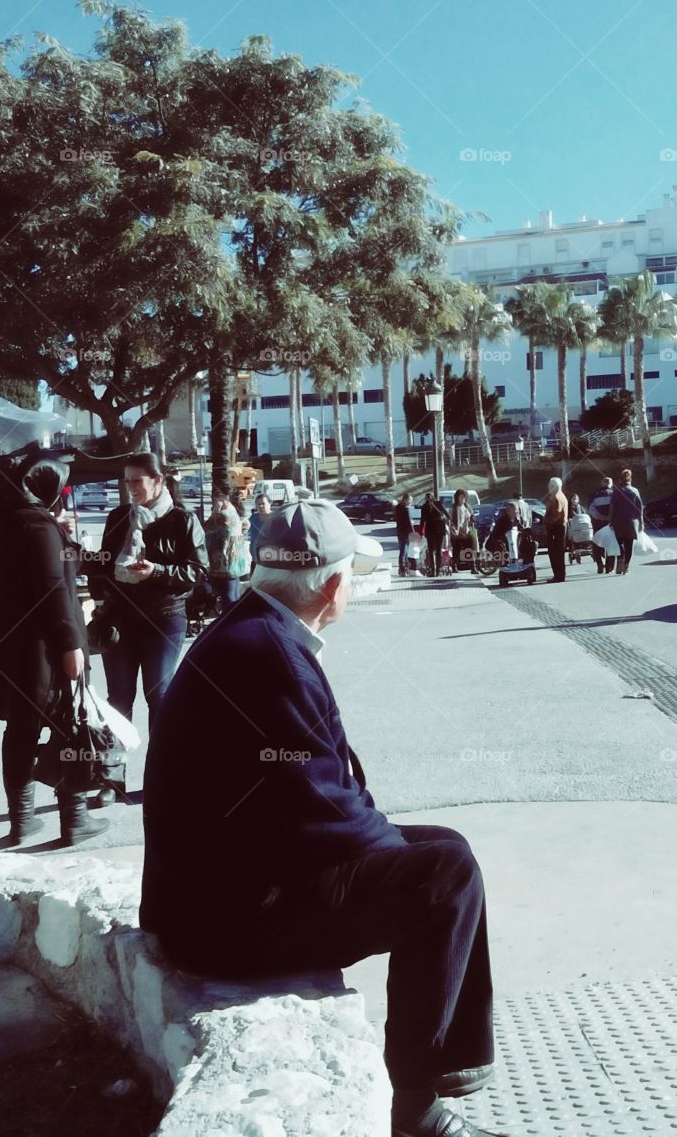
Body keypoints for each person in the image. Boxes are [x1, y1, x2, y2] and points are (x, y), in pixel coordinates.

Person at [140, 501, 501, 1137]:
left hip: (224, 893)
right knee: (444, 873)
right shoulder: (267, 655)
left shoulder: (251, 632)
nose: (352, 587)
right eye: (351, 576)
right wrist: (388, 852)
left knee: (446, 848)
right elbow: (332, 812)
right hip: (227, 925)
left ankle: (449, 1069)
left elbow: (314, 792)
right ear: (333, 585)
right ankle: (416, 1109)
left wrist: (385, 844)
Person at [0, 457, 107, 846]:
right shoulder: (39, 525)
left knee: (20, 730)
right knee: (68, 725)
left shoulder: (1, 520)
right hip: (47, 650)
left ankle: (22, 821)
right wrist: (72, 645)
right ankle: (74, 820)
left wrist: (61, 536)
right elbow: (54, 591)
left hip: (10, 649)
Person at [87, 452, 208, 802]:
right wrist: (76, 551)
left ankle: (162, 777)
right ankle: (112, 781)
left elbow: (197, 573)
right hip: (121, 620)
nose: (130, 488)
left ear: (158, 480)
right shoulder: (117, 518)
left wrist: (156, 571)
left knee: (160, 697)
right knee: (118, 700)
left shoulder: (183, 520)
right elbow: (104, 566)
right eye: (126, 481)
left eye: (136, 480)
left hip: (165, 619)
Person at [205, 491, 248, 612]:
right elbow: (246, 524)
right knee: (235, 594)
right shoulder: (234, 510)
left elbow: (206, 528)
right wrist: (235, 539)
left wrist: (215, 511)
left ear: (220, 498)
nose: (212, 500)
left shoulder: (222, 515)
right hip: (235, 560)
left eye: (213, 497)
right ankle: (237, 620)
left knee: (227, 597)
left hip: (223, 563)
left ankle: (229, 622)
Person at [609, 468, 644, 576]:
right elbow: (640, 509)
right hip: (632, 522)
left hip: (618, 522)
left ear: (620, 479)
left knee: (620, 544)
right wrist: (641, 523)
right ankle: (626, 567)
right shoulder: (635, 491)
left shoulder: (616, 491)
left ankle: (620, 563)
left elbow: (612, 507)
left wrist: (611, 521)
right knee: (629, 545)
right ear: (630, 478)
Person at [587, 477, 615, 575]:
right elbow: (617, 508)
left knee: (597, 544)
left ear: (601, 483)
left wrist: (600, 517)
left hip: (597, 523)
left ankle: (599, 563)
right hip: (611, 523)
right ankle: (609, 567)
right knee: (611, 544)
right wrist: (609, 517)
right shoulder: (614, 494)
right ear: (610, 484)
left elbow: (591, 509)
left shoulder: (594, 494)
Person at [543, 476, 569, 583]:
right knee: (558, 552)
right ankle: (559, 575)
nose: (548, 487)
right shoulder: (561, 496)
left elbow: (556, 514)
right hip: (559, 527)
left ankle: (558, 575)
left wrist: (547, 522)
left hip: (556, 528)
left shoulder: (556, 498)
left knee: (555, 553)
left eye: (550, 485)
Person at [420, 493, 449, 578]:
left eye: (430, 500)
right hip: (430, 531)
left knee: (439, 549)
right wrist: (420, 532)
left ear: (433, 499)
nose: (429, 502)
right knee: (431, 550)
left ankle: (438, 570)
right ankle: (433, 570)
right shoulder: (424, 507)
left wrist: (449, 520)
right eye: (427, 500)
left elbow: (446, 513)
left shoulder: (438, 504)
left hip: (439, 529)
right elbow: (423, 520)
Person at [449, 489, 474, 571]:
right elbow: (450, 520)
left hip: (466, 531)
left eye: (464, 497)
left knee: (470, 549)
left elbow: (470, 517)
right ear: (457, 497)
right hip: (456, 533)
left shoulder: (466, 506)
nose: (463, 499)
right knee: (456, 550)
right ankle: (454, 566)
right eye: (461, 497)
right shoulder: (454, 508)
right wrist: (453, 528)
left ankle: (472, 567)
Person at [248, 493, 272, 564]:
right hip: (255, 558)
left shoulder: (276, 518)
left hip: (271, 558)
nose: (261, 506)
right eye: (258, 504)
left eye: (263, 503)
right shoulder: (253, 517)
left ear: (270, 504)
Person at [395, 492, 414, 577]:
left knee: (402, 550)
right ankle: (404, 569)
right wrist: (413, 532)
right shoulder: (406, 509)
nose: (411, 503)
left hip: (399, 531)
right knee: (405, 552)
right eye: (410, 501)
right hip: (406, 533)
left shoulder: (397, 508)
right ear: (405, 500)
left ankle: (401, 569)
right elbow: (409, 523)